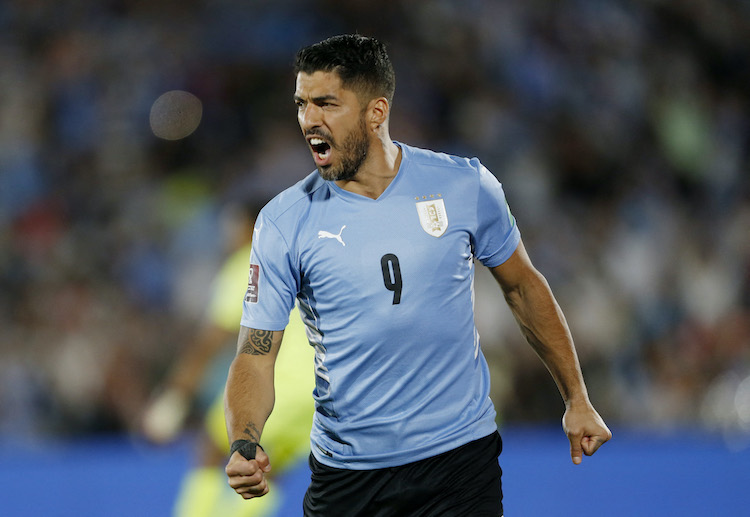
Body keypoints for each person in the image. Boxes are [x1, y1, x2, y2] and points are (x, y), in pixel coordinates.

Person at [224, 34, 611, 516]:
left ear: (376, 112)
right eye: (302, 104)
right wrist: (244, 438)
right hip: (348, 475)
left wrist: (576, 396)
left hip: (460, 462)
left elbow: (523, 286)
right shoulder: (284, 222)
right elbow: (256, 355)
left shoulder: (464, 185)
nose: (309, 120)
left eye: (326, 103)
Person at [140, 202, 314, 517]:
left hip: (278, 386)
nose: (228, 235)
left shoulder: (248, 262)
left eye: (233, 225)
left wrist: (173, 397)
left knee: (211, 445)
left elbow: (211, 341)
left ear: (252, 226)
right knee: (266, 471)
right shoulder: (302, 260)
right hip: (320, 394)